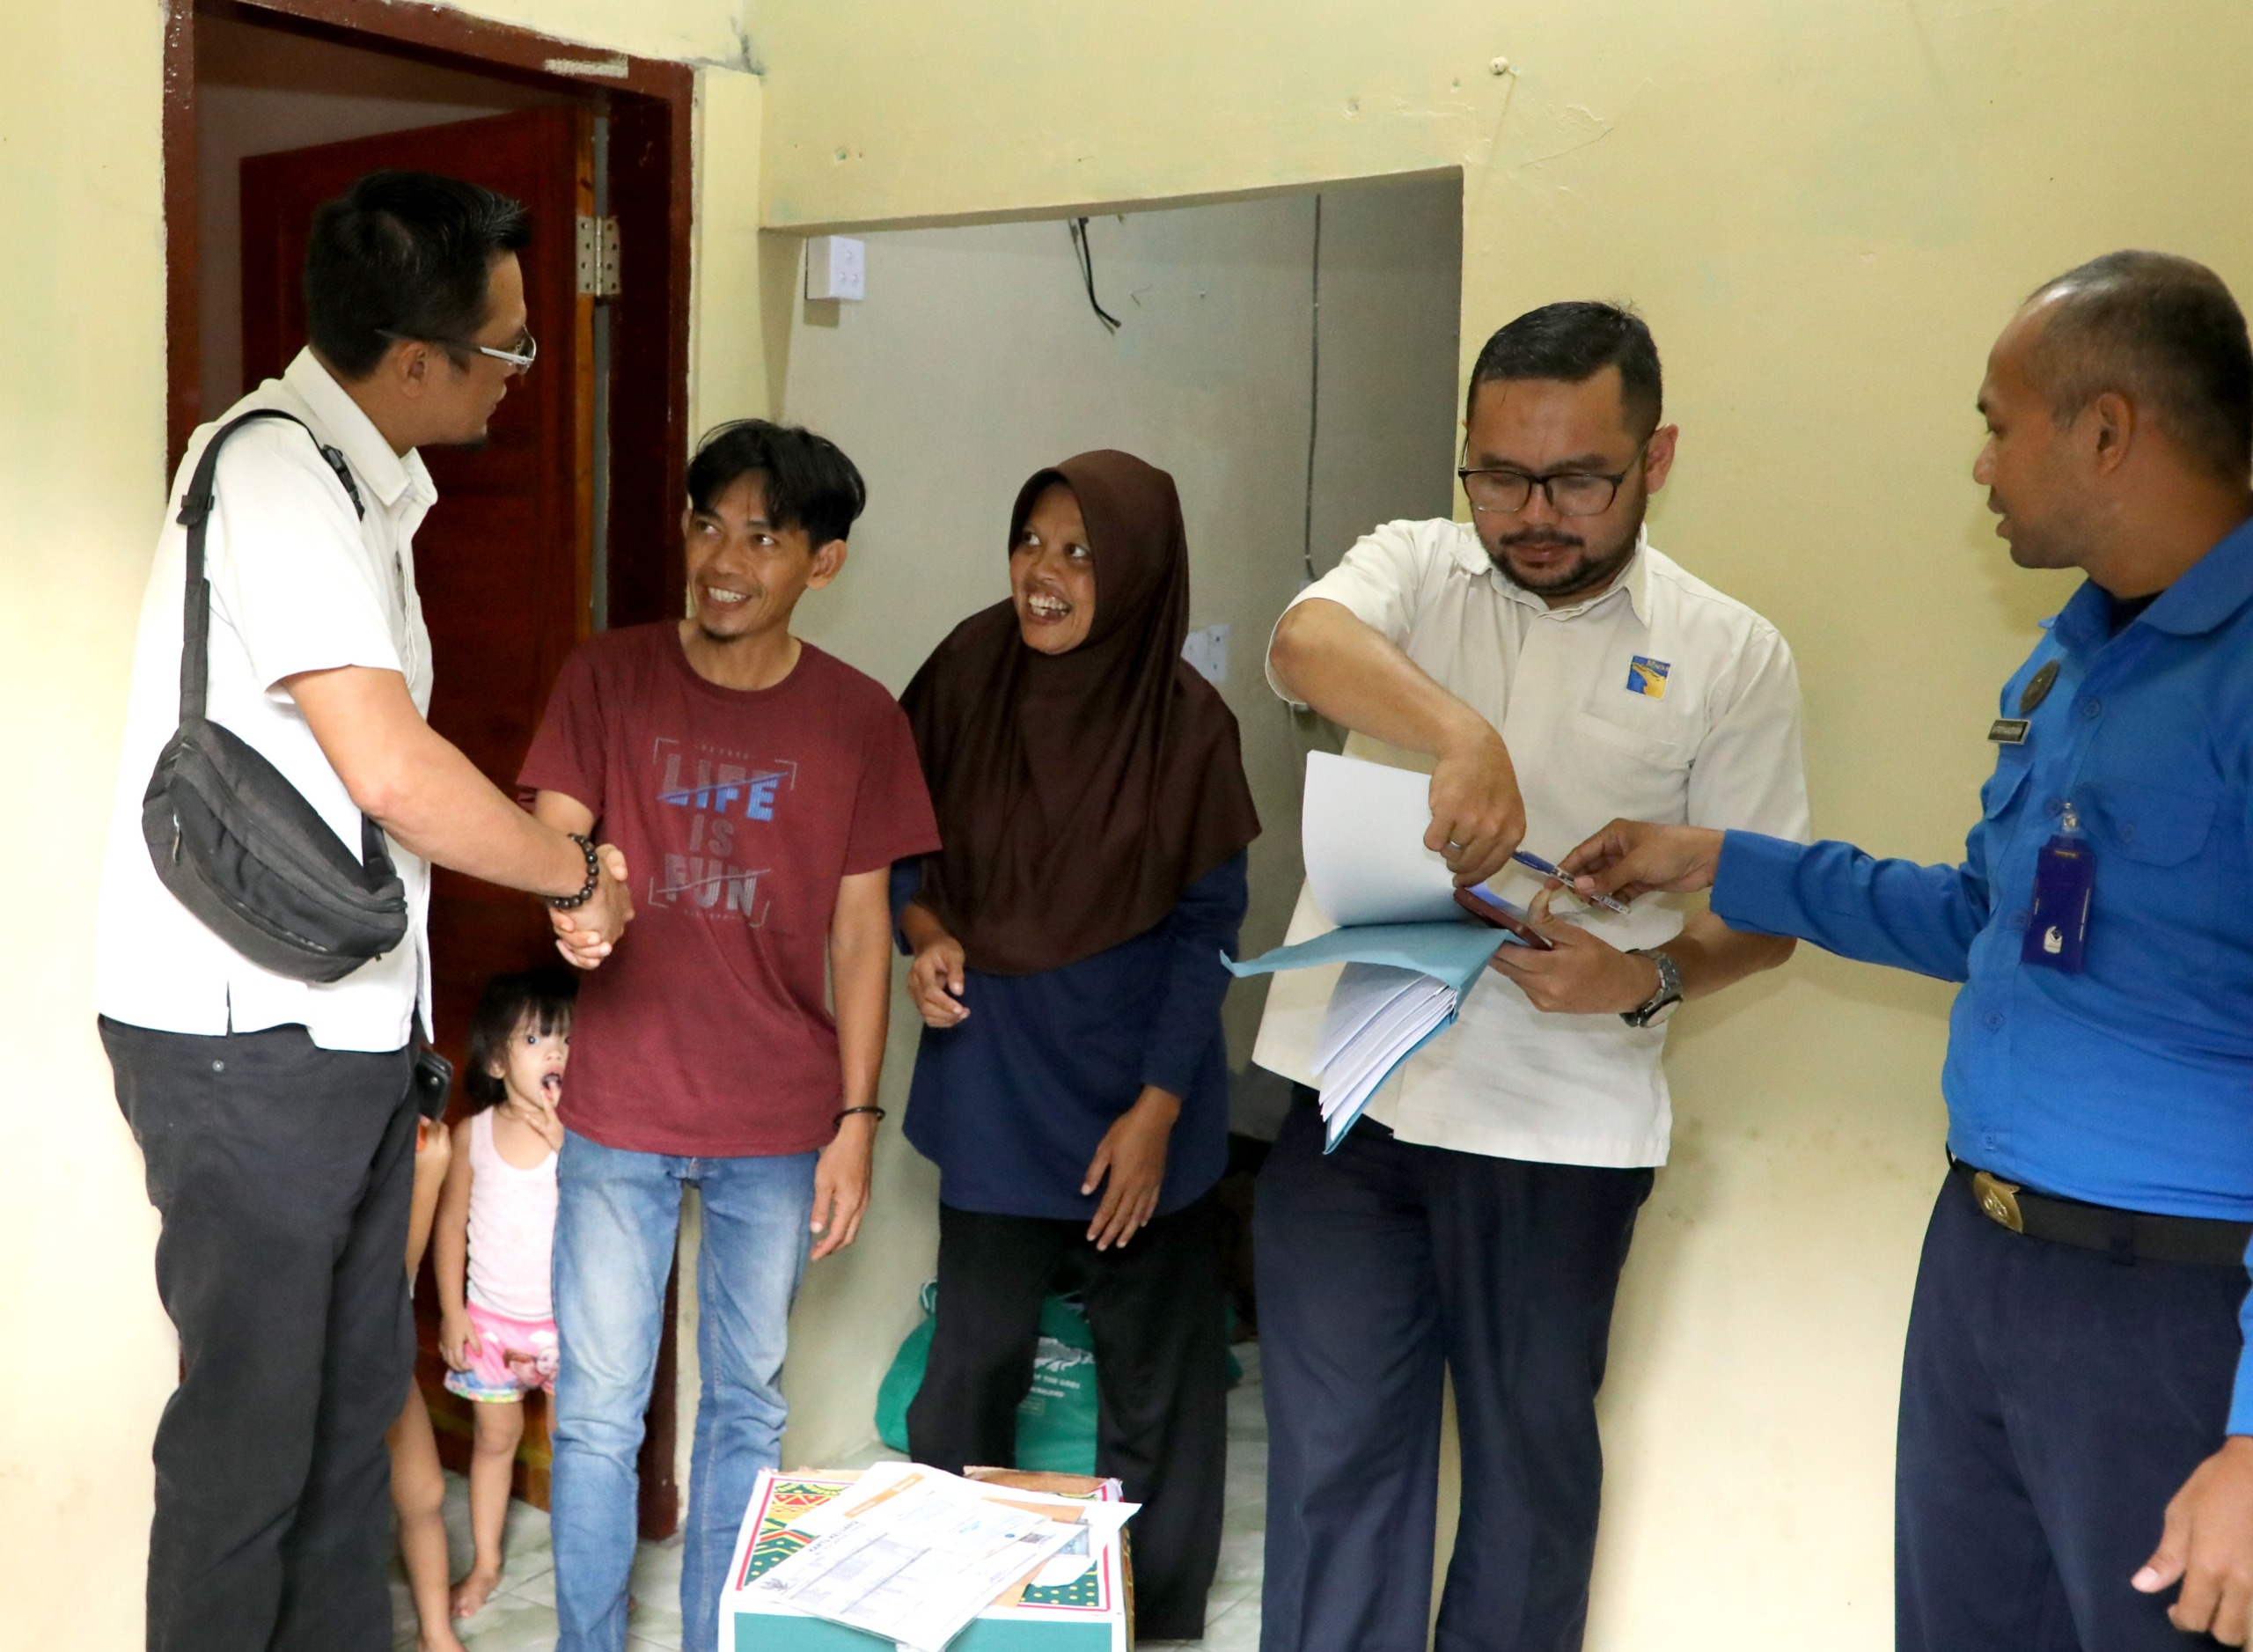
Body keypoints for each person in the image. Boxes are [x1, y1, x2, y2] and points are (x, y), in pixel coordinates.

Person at [1559, 252, 2253, 1650]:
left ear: (2106, 432)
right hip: (1983, 1262)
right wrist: (1719, 859)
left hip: (2177, 1306)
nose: (1982, 465)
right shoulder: (2072, 659)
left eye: (1999, 425)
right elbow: (1987, 919)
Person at [92, 169, 632, 1652]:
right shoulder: (276, 473)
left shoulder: (357, 483)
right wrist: (575, 874)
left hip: (331, 1037)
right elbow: (390, 770)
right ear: (412, 359)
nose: (521, 371)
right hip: (245, 1044)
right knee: (252, 1452)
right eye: (508, 345)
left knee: (340, 1435)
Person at [1255, 301, 1809, 1652]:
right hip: (1352, 1098)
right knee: (1332, 1466)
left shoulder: (1730, 652)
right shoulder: (1416, 567)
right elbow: (1299, 645)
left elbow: (1768, 914)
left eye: (1576, 480)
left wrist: (1647, 981)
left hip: (1557, 1125)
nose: (1533, 514)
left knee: (1526, 1490)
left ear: (1655, 458)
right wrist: (1462, 734)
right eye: (1500, 476)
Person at [518, 418, 941, 1652]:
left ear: (823, 561)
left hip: (776, 1116)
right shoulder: (609, 674)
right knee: (598, 1410)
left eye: (762, 535)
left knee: (745, 1404)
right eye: (709, 524)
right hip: (622, 1099)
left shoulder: (859, 719)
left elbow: (862, 933)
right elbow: (555, 828)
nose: (724, 558)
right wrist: (580, 891)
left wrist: (856, 1121)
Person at [893, 452, 1261, 1641]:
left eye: (1081, 552)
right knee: (974, 1366)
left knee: (1157, 1378)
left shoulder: (1189, 730)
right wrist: (924, 934)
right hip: (997, 1080)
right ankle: (959, 1605)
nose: (1042, 573)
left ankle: (1145, 1616)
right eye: (1031, 542)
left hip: (1137, 1094)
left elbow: (1207, 932)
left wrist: (1156, 1110)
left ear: (1140, 572)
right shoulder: (965, 670)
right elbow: (899, 845)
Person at [433, 969, 575, 1620]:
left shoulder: (579, 1135)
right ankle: (486, 1562)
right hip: (490, 1326)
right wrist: (452, 1312)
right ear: (495, 1060)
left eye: (564, 1038)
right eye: (535, 1039)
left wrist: (568, 1146)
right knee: (495, 1441)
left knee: (577, 1447)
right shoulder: (475, 1134)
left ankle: (586, 1572)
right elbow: (449, 1225)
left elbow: (599, 1215)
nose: (555, 1051)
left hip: (566, 1326)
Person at [388, 1106, 464, 1652]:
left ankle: (435, 1633)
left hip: (378, 1348)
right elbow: (390, 1282)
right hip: (319, 1354)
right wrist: (429, 1181)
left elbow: (395, 1291)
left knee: (424, 1492)